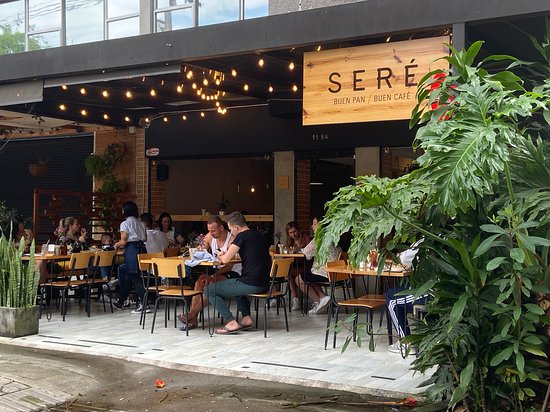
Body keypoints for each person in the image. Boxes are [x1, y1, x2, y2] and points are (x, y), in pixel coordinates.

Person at [205, 211, 270, 334]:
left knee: (208, 290)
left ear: (235, 227)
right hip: (265, 283)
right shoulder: (259, 235)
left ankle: (230, 322)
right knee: (234, 283)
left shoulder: (241, 236)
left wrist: (219, 254)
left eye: (230, 229)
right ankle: (246, 318)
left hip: (251, 283)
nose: (231, 232)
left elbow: (225, 260)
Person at [177, 216, 242, 331]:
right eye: (209, 231)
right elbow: (200, 250)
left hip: (232, 271)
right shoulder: (210, 236)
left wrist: (213, 276)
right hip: (216, 269)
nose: (211, 233)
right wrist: (195, 251)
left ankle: (191, 314)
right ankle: (193, 319)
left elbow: (229, 265)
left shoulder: (231, 240)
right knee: (199, 283)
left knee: (210, 284)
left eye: (213, 231)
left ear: (221, 228)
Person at [386, 241, 428, 354]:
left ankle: (406, 342)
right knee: (398, 291)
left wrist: (400, 255)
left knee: (392, 298)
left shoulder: (425, 240)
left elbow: (403, 259)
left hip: (429, 292)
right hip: (445, 290)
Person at [296, 217, 341, 314]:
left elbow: (307, 254)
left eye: (315, 223)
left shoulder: (319, 238)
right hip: (336, 274)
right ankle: (323, 299)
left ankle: (319, 301)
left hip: (324, 273)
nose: (312, 226)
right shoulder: (334, 237)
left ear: (322, 225)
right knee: (308, 275)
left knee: (299, 279)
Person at [113, 201, 148, 313]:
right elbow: (145, 238)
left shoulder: (125, 224)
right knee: (126, 271)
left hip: (132, 249)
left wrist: (116, 244)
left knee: (134, 276)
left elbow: (123, 241)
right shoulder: (141, 223)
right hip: (142, 249)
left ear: (126, 210)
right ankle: (121, 300)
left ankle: (144, 303)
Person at [284, 221, 311, 310]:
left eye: (294, 231)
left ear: (298, 230)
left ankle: (296, 299)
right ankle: (295, 298)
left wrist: (298, 249)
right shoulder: (289, 241)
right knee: (287, 272)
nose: (293, 234)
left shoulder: (306, 238)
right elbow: (286, 255)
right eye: (290, 233)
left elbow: (309, 253)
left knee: (288, 272)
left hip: (306, 266)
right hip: (295, 266)